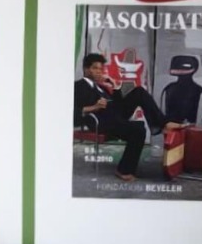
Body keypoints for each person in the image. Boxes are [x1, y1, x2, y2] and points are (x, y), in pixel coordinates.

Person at [74, 52, 181, 182]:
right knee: (138, 129)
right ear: (86, 69)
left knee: (139, 92)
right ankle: (123, 170)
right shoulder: (78, 86)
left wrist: (114, 85)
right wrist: (94, 107)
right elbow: (73, 112)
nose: (99, 72)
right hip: (101, 121)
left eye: (101, 69)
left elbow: (116, 102)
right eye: (95, 68)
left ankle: (163, 124)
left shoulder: (101, 87)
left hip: (114, 114)